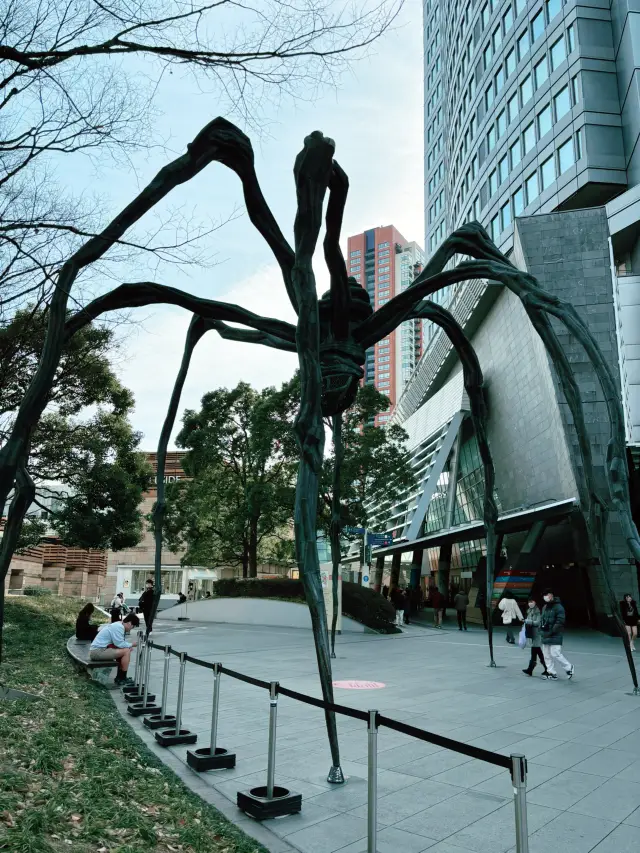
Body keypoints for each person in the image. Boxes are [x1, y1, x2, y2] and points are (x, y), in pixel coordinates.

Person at [89, 612, 140, 685]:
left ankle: (120, 677)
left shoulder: (119, 625)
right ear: (129, 623)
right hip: (97, 652)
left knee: (125, 650)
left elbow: (119, 643)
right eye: (133, 626)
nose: (131, 629)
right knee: (126, 651)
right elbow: (119, 643)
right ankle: (122, 678)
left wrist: (127, 646)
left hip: (99, 650)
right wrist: (132, 644)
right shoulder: (118, 627)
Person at [540, 588, 574, 680]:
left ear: (551, 595)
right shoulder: (545, 607)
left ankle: (568, 667)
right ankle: (551, 672)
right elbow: (542, 619)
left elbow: (560, 621)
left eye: (547, 595)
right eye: (544, 595)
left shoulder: (559, 607)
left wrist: (553, 631)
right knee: (546, 654)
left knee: (555, 653)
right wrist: (541, 630)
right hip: (545, 634)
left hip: (555, 635)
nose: (545, 597)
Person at [522, 598, 548, 677]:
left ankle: (531, 669)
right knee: (537, 652)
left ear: (535, 602)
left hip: (536, 634)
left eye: (531, 602)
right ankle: (546, 668)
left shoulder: (537, 612)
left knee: (535, 651)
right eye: (529, 602)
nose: (530, 603)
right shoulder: (529, 611)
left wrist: (527, 621)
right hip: (532, 633)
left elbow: (537, 622)